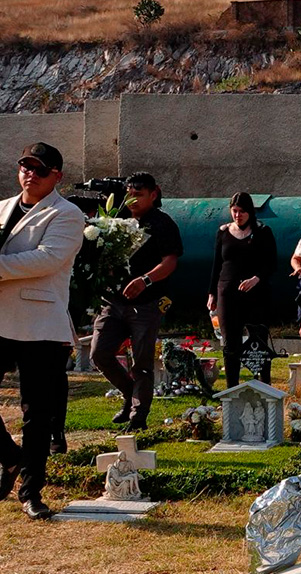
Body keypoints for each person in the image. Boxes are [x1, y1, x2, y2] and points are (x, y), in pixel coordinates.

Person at [0, 142, 85, 520]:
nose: (29, 173)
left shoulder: (67, 214)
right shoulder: (2, 207)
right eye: (25, 166)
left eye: (39, 168)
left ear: (57, 176)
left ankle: (31, 491)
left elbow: (49, 258)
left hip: (40, 321)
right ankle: (10, 456)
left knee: (37, 413)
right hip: (0, 318)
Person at [90, 172, 183, 431]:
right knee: (100, 354)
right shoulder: (117, 219)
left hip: (146, 303)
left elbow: (170, 262)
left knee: (141, 361)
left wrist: (145, 280)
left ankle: (138, 416)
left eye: (139, 195)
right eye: (130, 194)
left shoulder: (163, 224)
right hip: (113, 300)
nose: (133, 200)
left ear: (154, 194)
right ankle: (131, 393)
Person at [208, 192, 276, 388]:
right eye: (234, 211)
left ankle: (265, 384)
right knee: (230, 341)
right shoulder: (222, 232)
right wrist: (212, 293)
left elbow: (271, 263)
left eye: (242, 212)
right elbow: (217, 264)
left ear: (250, 212)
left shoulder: (263, 231)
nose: (238, 215)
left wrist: (257, 278)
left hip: (256, 293)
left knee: (258, 338)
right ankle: (232, 387)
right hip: (227, 291)